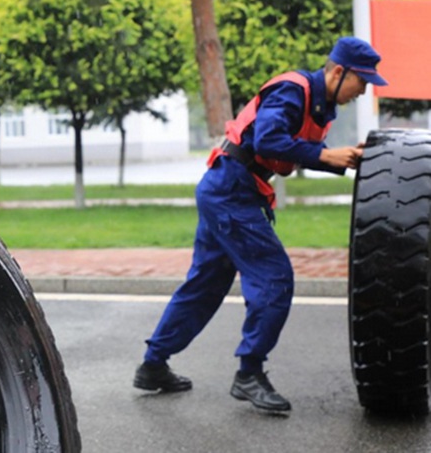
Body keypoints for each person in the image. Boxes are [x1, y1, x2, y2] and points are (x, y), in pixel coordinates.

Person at [132, 37, 387, 413]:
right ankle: (249, 374)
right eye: (361, 82)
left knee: (205, 284)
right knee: (274, 277)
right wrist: (326, 154)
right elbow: (269, 140)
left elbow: (290, 148)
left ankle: (153, 366)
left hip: (229, 187)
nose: (363, 91)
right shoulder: (293, 89)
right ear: (338, 72)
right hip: (231, 190)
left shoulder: (319, 104)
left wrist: (339, 159)